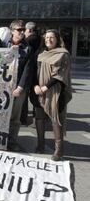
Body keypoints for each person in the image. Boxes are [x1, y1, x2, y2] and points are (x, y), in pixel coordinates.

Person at [33, 29, 72, 161]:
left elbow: (60, 75)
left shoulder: (63, 54)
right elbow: (35, 72)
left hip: (56, 92)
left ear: (57, 39)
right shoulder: (40, 54)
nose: (48, 40)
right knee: (39, 117)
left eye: (52, 38)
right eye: (47, 37)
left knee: (56, 119)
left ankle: (59, 150)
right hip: (39, 91)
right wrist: (36, 86)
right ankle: (40, 145)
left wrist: (45, 87)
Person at [4, 20, 33, 152]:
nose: (22, 32)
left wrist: (20, 87)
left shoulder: (28, 48)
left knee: (15, 117)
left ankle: (12, 141)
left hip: (18, 88)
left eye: (23, 30)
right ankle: (0, 139)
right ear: (11, 31)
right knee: (2, 114)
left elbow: (28, 69)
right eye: (19, 29)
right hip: (3, 86)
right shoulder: (3, 44)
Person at [20, 21, 42, 124]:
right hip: (38, 70)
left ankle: (23, 118)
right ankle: (36, 116)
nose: (23, 32)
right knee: (35, 95)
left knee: (24, 95)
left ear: (29, 30)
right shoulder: (41, 38)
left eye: (24, 30)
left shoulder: (29, 40)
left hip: (31, 69)